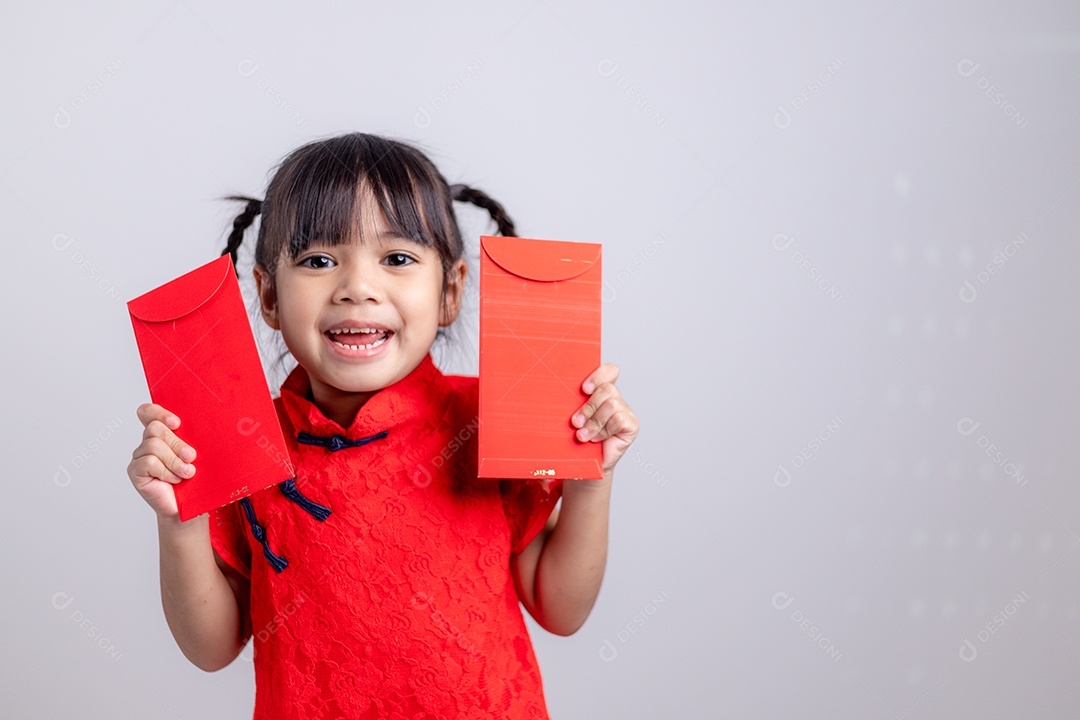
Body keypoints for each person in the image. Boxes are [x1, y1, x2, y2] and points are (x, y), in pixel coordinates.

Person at [126, 132, 639, 719]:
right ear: (268, 296)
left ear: (450, 291)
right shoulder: (241, 436)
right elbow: (211, 648)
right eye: (318, 261)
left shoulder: (488, 419)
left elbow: (560, 609)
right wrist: (179, 520)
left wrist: (590, 482)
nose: (357, 289)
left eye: (397, 259)